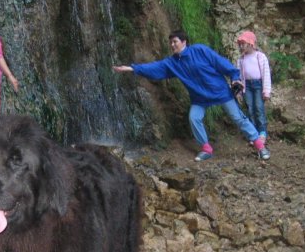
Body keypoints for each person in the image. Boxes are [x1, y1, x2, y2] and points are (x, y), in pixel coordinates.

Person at [113, 30, 270, 161]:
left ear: (184, 42)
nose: (172, 45)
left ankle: (260, 146)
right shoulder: (172, 63)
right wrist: (133, 69)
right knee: (194, 118)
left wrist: (235, 77)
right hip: (199, 97)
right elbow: (155, 67)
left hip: (219, 91)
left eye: (175, 41)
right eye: (171, 43)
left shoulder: (200, 50)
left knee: (238, 118)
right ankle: (206, 149)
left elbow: (220, 63)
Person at [236, 31, 272, 142]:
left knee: (259, 108)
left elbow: (266, 74)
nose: (241, 46)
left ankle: (262, 132)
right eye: (240, 44)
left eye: (243, 44)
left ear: (251, 44)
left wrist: (266, 91)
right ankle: (253, 133)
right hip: (247, 87)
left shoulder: (260, 56)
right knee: (250, 109)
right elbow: (239, 76)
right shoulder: (241, 60)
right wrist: (239, 91)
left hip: (258, 85)